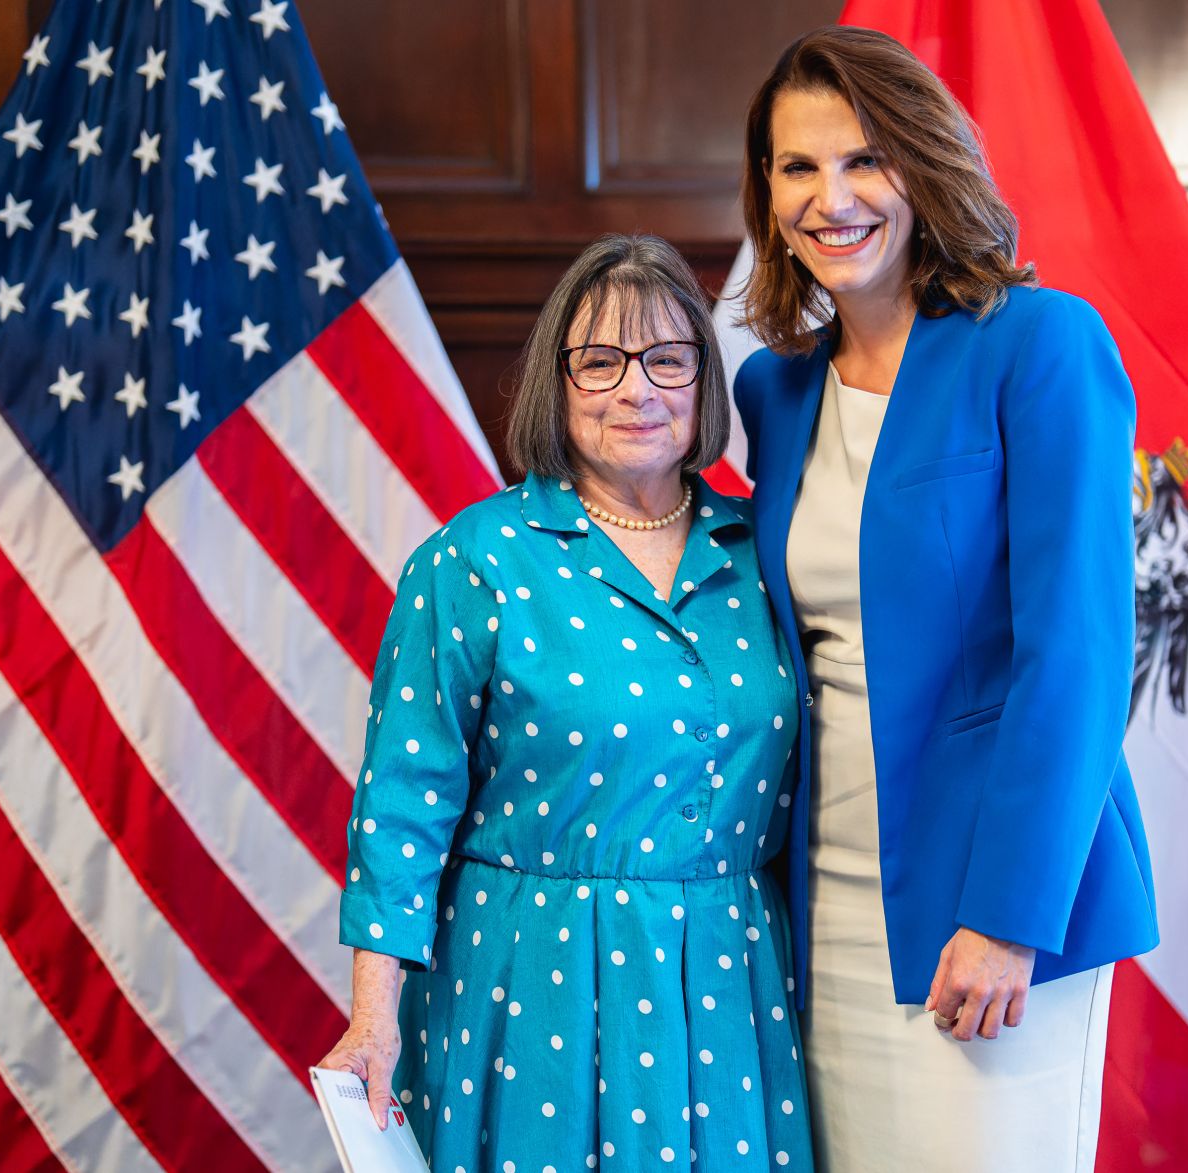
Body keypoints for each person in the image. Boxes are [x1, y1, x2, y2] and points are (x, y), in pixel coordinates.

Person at [730, 26, 1160, 1172]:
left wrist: (1007, 913)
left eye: (864, 159)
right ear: (765, 194)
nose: (832, 198)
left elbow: (1072, 655)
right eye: (798, 168)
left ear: (923, 164)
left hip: (986, 899)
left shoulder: (1039, 345)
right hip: (815, 904)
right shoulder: (769, 389)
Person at [318, 233, 815, 1172]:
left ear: (706, 381)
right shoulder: (476, 560)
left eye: (670, 357)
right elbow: (400, 808)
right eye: (602, 361)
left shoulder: (765, 553)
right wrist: (373, 1017)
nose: (640, 389)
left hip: (729, 974)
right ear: (559, 380)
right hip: (530, 982)